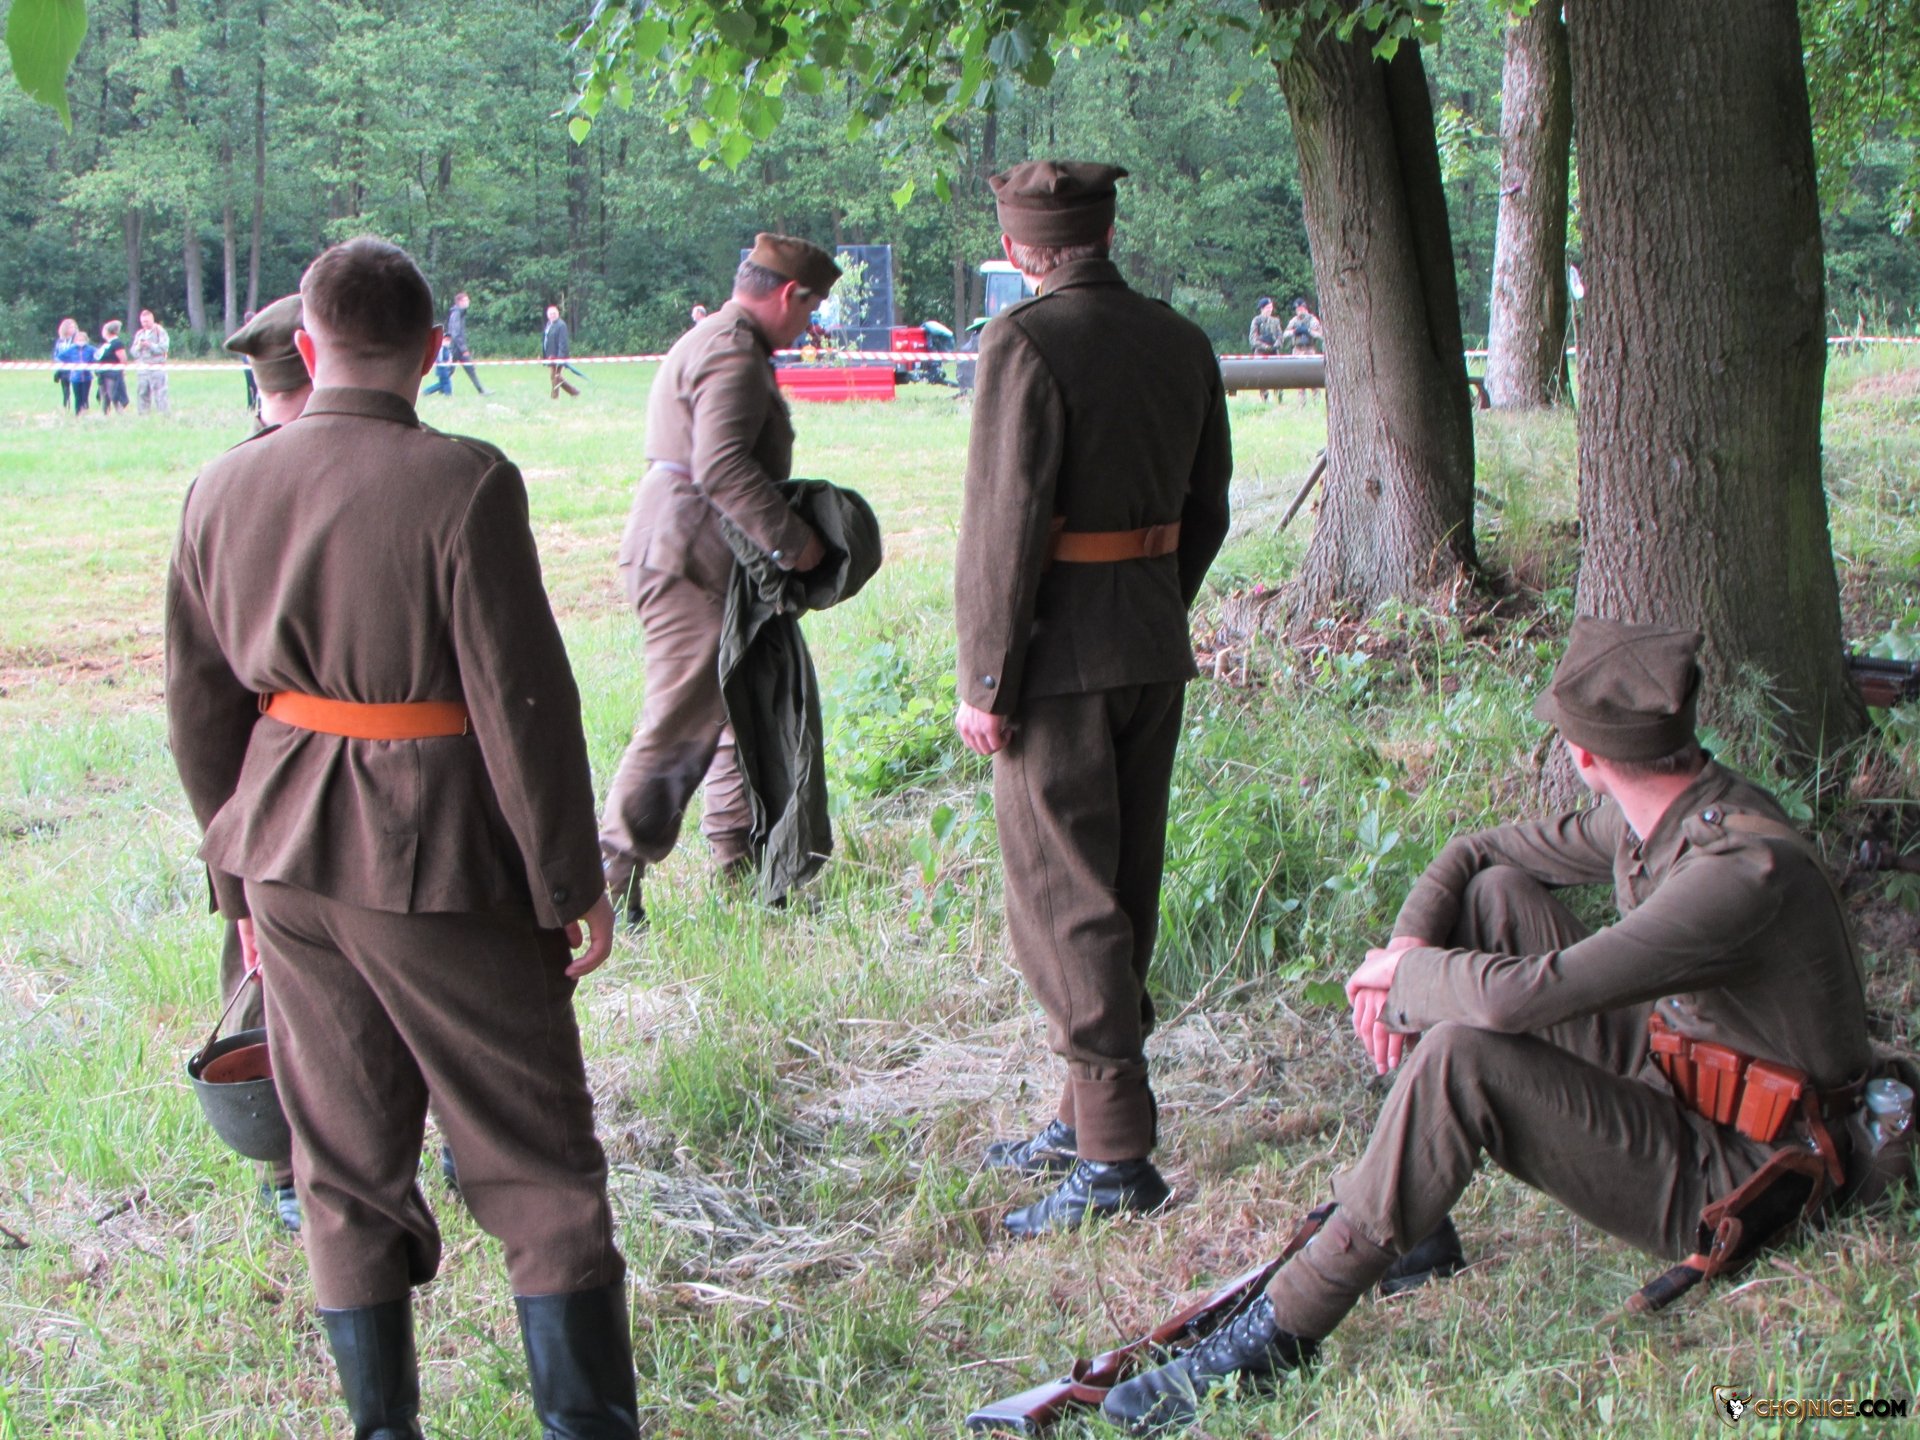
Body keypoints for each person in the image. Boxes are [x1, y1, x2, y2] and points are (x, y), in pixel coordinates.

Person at [1101, 618, 1875, 1433]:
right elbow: (1475, 854)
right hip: (1689, 1080)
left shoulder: (1737, 875)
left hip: (1758, 1174)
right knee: (1492, 898)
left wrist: (1405, 982)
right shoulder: (1673, 813)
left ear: (1583, 757)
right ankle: (1416, 1226)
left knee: (1462, 1055)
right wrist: (1406, 948)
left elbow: (1526, 999)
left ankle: (1282, 1329)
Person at [165, 237, 635, 1437]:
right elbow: (521, 702)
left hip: (283, 854)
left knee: (342, 1165)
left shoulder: (219, 487)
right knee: (536, 1161)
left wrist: (237, 872)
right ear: (432, 350)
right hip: (434, 861)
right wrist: (568, 881)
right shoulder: (464, 482)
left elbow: (199, 704)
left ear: (306, 345)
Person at [954, 161, 1232, 1237]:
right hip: (1149, 646)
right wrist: (1152, 607)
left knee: (1063, 900)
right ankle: (1083, 1117)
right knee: (1121, 883)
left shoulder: (1025, 341)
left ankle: (1116, 1158)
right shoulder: (1181, 339)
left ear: (1020, 249)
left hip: (1057, 665)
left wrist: (988, 679)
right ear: (1106, 232)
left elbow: (1003, 527)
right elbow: (1208, 508)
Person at [598, 233, 838, 927]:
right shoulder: (732, 348)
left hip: (702, 552)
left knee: (735, 710)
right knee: (681, 721)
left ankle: (741, 870)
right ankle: (608, 883)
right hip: (687, 556)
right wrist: (797, 546)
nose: (810, 324)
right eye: (811, 308)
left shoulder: (729, 341)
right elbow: (723, 465)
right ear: (789, 294)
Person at [204, 293, 314, 1232]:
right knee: (268, 981)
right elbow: (205, 703)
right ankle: (287, 1162)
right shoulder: (232, 494)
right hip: (281, 791)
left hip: (269, 797)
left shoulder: (222, 488)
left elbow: (195, 707)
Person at [444, 291, 487, 394]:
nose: (468, 301)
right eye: (466, 300)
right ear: (460, 302)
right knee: (449, 372)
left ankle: (482, 390)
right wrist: (464, 349)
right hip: (456, 349)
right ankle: (427, 391)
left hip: (457, 348)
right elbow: (455, 334)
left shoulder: (460, 313)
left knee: (470, 369)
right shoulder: (456, 314)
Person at [131, 309, 171, 414]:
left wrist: (150, 345)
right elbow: (133, 351)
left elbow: (164, 348)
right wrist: (139, 346)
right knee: (142, 393)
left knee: (160, 393)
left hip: (157, 367)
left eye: (147, 321)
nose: (145, 324)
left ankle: (163, 415)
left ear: (152, 319)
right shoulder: (139, 334)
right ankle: (143, 415)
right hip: (143, 369)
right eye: (143, 322)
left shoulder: (160, 331)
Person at [1247, 296, 1283, 403]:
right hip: (1261, 352)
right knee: (1261, 375)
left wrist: (1276, 344)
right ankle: (1265, 397)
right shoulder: (1256, 321)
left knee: (1278, 373)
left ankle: (1279, 394)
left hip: (1274, 352)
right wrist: (1264, 346)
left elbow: (1280, 336)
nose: (1270, 309)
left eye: (1271, 307)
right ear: (1262, 308)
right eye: (1268, 307)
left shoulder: (1275, 321)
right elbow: (1253, 339)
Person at [543, 304, 580, 399]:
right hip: (550, 356)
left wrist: (560, 358)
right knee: (555, 377)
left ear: (558, 314)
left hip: (558, 356)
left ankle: (555, 397)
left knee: (555, 376)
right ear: (547, 315)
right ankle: (573, 392)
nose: (552, 315)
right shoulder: (549, 325)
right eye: (550, 314)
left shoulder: (561, 325)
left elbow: (563, 343)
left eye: (554, 313)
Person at [95, 321, 130, 414]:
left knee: (113, 395)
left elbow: (123, 358)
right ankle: (105, 414)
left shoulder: (117, 343)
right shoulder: (107, 344)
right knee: (104, 396)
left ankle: (120, 413)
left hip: (112, 374)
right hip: (103, 373)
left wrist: (122, 370)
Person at [52, 317, 77, 411]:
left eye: (74, 327)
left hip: (74, 368)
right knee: (65, 389)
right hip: (63, 368)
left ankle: (78, 408)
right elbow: (56, 354)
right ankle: (66, 406)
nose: (73, 329)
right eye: (70, 327)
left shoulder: (76, 340)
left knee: (76, 389)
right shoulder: (60, 341)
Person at [68, 331, 95, 415]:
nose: (80, 342)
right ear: (75, 341)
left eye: (82, 340)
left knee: (85, 397)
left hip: (87, 377)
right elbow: (61, 356)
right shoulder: (71, 349)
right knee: (77, 397)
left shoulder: (91, 349)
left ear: (86, 340)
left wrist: (92, 363)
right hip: (75, 378)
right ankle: (77, 414)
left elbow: (98, 356)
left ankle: (85, 413)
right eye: (79, 340)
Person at [239, 308, 261, 411]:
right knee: (255, 384)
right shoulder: (250, 332)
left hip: (250, 360)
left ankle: (252, 405)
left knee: (252, 384)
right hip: (250, 360)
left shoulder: (249, 332)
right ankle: (255, 406)